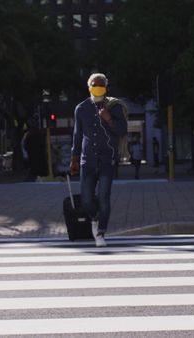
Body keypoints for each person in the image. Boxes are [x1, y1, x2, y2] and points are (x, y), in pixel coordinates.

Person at [70, 73, 128, 247]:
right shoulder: (81, 109)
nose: (98, 88)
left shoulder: (114, 107)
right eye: (95, 85)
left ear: (106, 88)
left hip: (107, 161)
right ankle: (95, 219)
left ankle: (101, 232)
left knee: (104, 197)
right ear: (89, 87)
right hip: (87, 162)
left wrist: (109, 119)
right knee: (87, 200)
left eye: (101, 85)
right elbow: (77, 136)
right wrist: (74, 159)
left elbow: (122, 131)